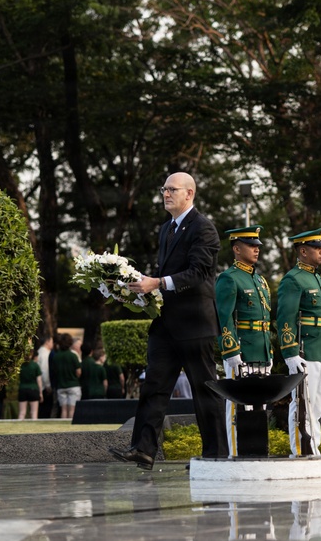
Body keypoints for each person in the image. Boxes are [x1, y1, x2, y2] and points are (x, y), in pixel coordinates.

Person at [109, 171, 226, 470]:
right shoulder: (166, 229)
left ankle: (215, 454)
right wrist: (138, 293)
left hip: (195, 324)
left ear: (189, 194)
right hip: (166, 324)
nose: (166, 194)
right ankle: (143, 449)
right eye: (164, 189)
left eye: (172, 189)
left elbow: (199, 274)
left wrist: (157, 283)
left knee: (205, 391)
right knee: (154, 386)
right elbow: (161, 279)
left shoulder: (204, 228)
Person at [214, 224, 273, 458]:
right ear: (236, 249)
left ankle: (257, 452)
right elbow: (223, 317)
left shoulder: (258, 279)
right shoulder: (229, 278)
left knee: (260, 406)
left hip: (261, 350)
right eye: (251, 245)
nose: (256, 249)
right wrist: (230, 350)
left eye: (257, 245)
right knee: (237, 406)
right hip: (242, 351)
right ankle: (234, 453)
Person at [276, 228, 321, 457]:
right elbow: (286, 318)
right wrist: (290, 352)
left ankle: (313, 450)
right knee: (302, 405)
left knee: (316, 408)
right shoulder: (294, 279)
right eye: (317, 248)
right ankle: (301, 451)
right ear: (302, 251)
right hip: (305, 350)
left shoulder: (317, 278)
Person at [52, 333, 82, 419]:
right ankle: (70, 430)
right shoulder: (73, 356)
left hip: (61, 386)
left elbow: (55, 371)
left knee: (64, 410)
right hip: (73, 385)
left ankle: (62, 428)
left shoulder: (56, 357)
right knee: (72, 410)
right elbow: (78, 371)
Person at [17, 349, 43, 420]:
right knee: (34, 412)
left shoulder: (20, 365)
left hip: (22, 389)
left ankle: (18, 427)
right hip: (33, 389)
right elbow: (39, 380)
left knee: (22, 412)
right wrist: (40, 393)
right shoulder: (35, 365)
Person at [36, 336, 55, 419]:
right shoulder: (45, 354)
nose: (52, 344)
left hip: (39, 385)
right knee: (45, 410)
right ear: (47, 342)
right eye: (52, 342)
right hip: (44, 387)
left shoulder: (39, 352)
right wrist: (48, 385)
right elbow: (45, 370)